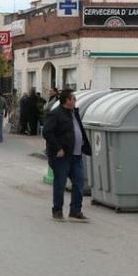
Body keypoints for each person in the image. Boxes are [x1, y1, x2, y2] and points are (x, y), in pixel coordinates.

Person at [42, 89, 91, 223]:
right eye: (73, 98)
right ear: (67, 100)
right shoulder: (56, 114)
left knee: (79, 182)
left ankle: (75, 211)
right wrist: (58, 148)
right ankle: (57, 210)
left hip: (76, 155)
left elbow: (78, 130)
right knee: (60, 183)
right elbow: (47, 132)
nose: (75, 101)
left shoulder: (74, 113)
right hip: (61, 155)